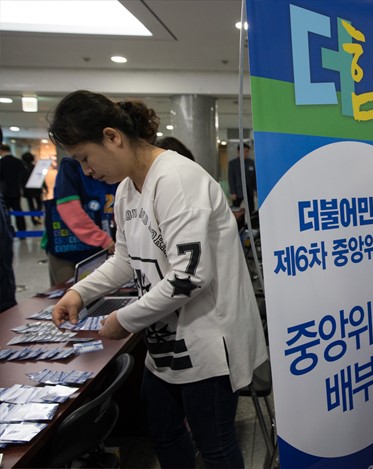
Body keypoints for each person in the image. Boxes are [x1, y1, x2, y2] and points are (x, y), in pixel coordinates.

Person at [49, 90, 267, 469]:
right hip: (165, 342)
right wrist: (79, 293)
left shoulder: (177, 179)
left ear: (112, 137)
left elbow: (189, 276)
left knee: (215, 446)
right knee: (164, 434)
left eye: (85, 158)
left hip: (208, 343)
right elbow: (123, 259)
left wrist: (124, 320)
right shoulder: (126, 189)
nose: (86, 171)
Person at [43, 155, 118, 286]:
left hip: (101, 249)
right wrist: (103, 239)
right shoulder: (71, 166)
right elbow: (70, 210)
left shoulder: (115, 170)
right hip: (67, 249)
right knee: (68, 290)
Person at [0, 143, 28, 233]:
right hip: (16, 191)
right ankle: (22, 230)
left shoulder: (1, 162)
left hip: (4, 192)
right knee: (18, 211)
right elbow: (23, 176)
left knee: (6, 213)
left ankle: (8, 231)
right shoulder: (18, 161)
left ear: (2, 151)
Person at [228, 142, 256, 210]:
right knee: (236, 209)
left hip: (249, 190)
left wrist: (255, 189)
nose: (246, 153)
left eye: (247, 151)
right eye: (245, 151)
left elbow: (254, 177)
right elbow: (231, 179)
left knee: (251, 208)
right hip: (238, 191)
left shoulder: (251, 162)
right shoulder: (232, 164)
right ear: (238, 152)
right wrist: (232, 192)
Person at [21, 152, 45, 226]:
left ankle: (33, 220)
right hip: (36, 188)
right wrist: (45, 187)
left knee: (30, 205)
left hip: (27, 190)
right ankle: (38, 216)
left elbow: (20, 180)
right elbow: (41, 178)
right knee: (39, 203)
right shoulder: (36, 167)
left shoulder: (22, 169)